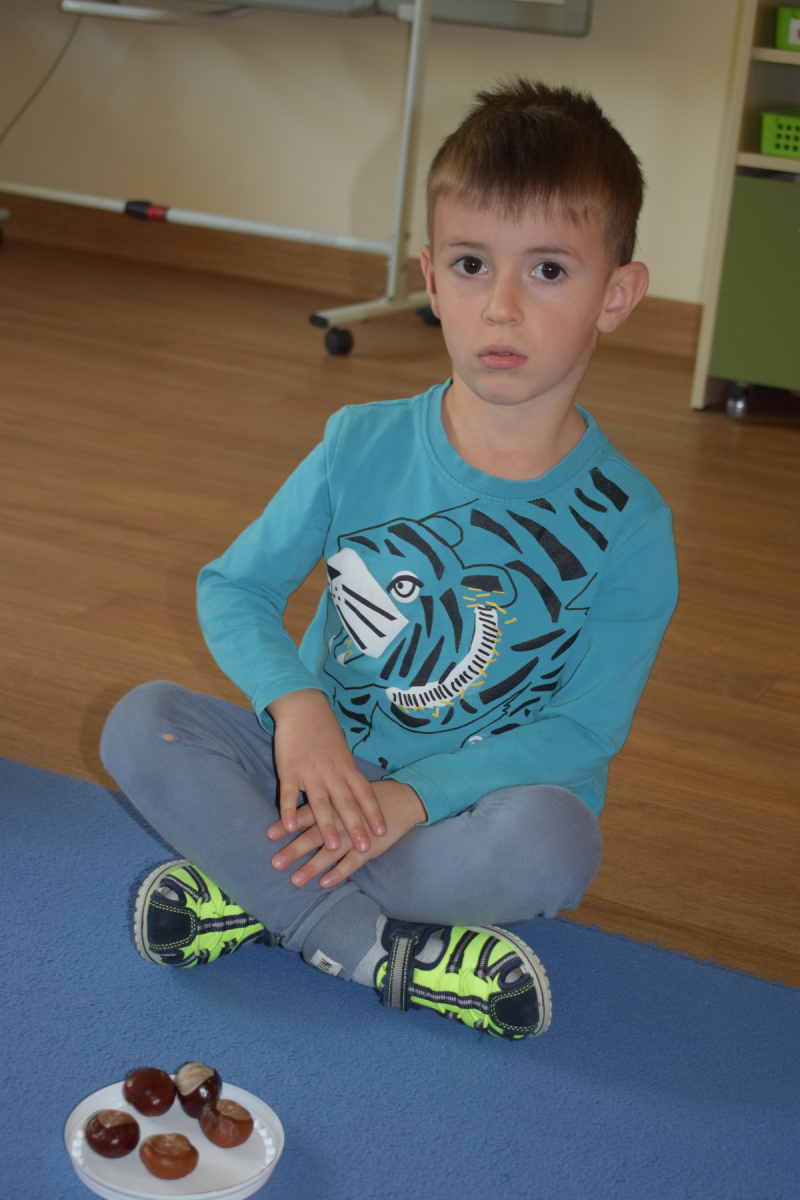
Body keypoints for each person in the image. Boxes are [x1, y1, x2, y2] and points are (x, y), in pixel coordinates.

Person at [101, 79, 678, 1041]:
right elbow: (235, 587)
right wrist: (299, 710)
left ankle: (257, 891)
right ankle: (373, 948)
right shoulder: (356, 442)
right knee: (141, 723)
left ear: (615, 295)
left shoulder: (633, 524)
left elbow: (582, 729)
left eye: (547, 270)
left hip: (464, 810)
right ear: (430, 278)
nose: (500, 307)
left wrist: (416, 794)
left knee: (558, 845)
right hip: (314, 773)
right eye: (470, 264)